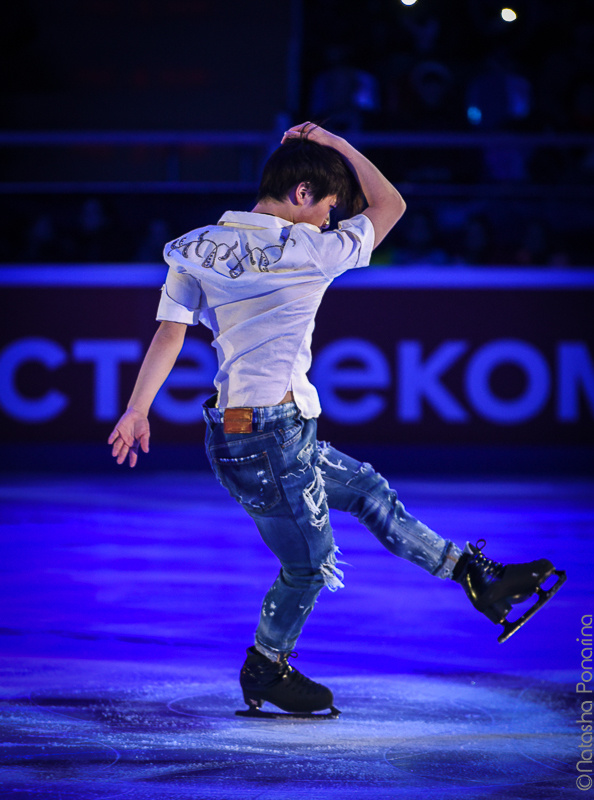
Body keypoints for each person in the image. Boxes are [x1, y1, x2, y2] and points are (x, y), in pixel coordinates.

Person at [109, 123, 565, 719]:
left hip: (257, 434)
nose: (329, 222)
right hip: (268, 441)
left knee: (370, 490)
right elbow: (392, 205)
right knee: (307, 564)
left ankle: (474, 575)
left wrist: (137, 407)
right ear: (301, 193)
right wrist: (339, 145)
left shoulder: (193, 247)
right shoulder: (311, 252)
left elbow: (171, 331)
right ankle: (266, 666)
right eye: (327, 207)